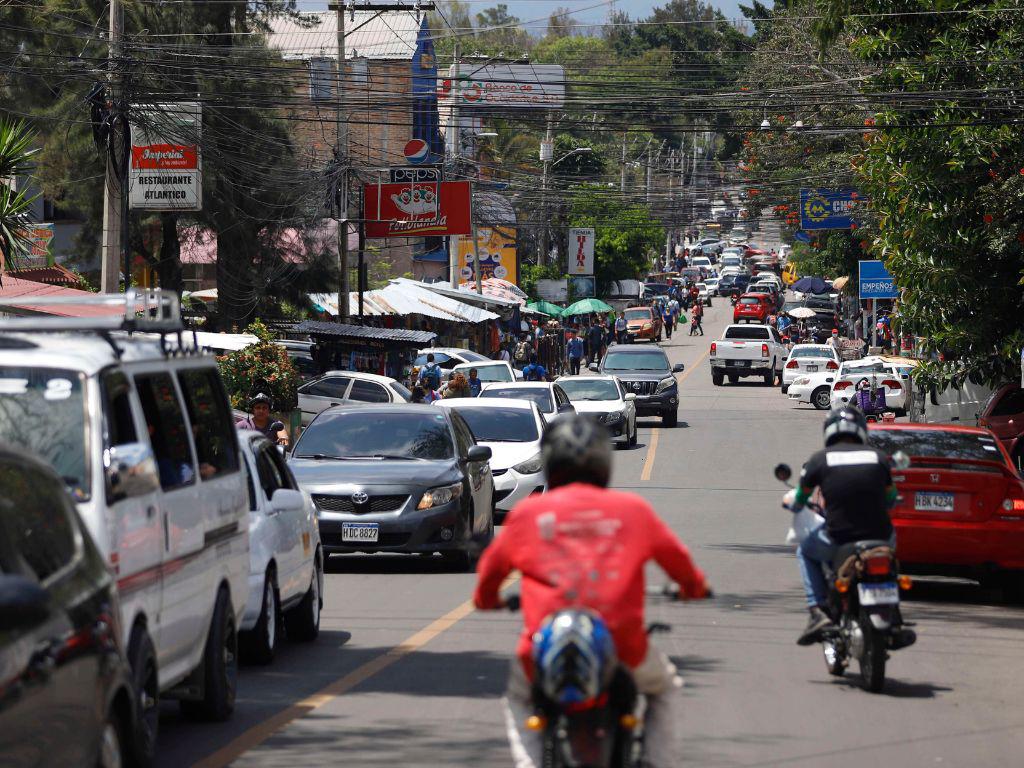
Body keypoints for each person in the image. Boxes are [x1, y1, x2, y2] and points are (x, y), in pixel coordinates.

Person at [473, 415, 711, 768]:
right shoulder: (632, 509)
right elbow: (681, 563)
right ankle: (657, 761)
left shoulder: (529, 513)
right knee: (665, 689)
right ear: (603, 463)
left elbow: (488, 579)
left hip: (541, 646)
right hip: (624, 644)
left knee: (518, 698)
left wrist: (489, 601)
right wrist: (694, 589)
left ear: (551, 461)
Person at [786, 406, 898, 645]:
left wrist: (794, 505)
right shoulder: (878, 458)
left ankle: (817, 611)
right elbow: (890, 498)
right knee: (890, 558)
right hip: (880, 537)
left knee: (804, 551)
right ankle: (894, 612)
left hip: (838, 538)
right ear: (861, 431)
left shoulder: (820, 459)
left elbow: (800, 497)